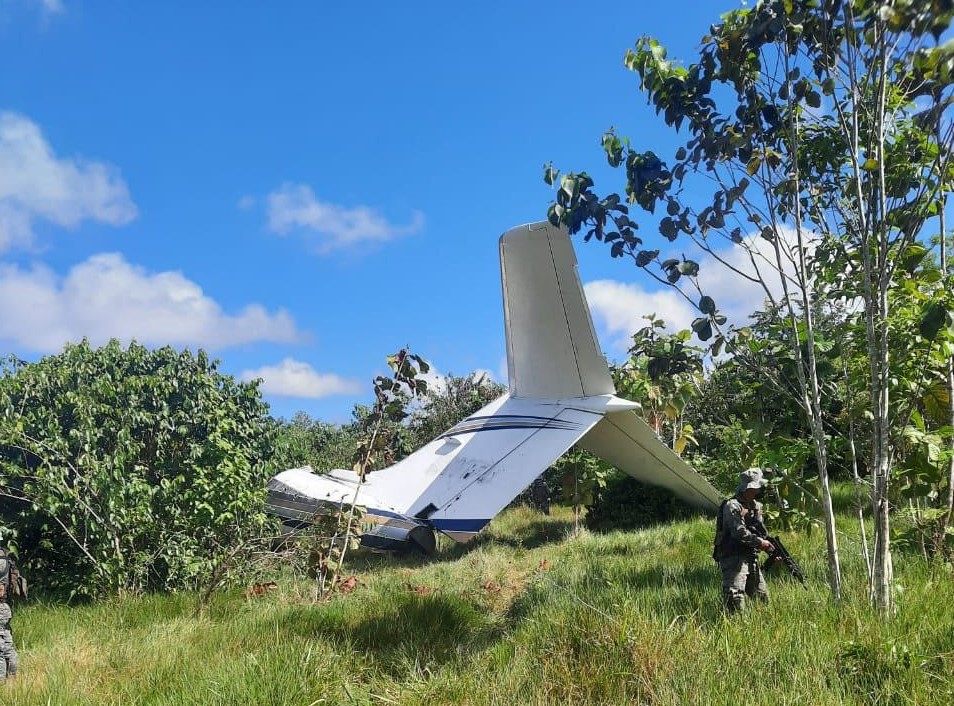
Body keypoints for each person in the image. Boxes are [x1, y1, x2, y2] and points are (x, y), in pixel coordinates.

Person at [712, 468, 775, 614]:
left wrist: (771, 551)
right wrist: (760, 543)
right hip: (733, 556)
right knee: (734, 597)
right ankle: (735, 627)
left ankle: (762, 625)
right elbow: (738, 532)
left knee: (761, 597)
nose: (758, 490)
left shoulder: (756, 507)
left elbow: (762, 533)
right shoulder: (732, 505)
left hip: (750, 556)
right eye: (756, 487)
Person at [0, 548, 20, 682]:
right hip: (5, 606)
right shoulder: (6, 557)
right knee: (7, 644)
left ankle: (1, 681)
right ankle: (12, 678)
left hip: (0, 606)